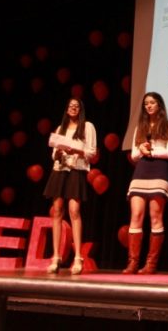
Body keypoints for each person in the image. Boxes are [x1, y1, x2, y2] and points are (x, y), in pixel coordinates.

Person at [123, 91, 168, 274]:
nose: (149, 106)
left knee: (155, 216)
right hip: (141, 171)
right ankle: (132, 262)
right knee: (136, 215)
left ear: (159, 105)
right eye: (146, 103)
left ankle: (151, 264)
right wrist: (141, 149)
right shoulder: (140, 126)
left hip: (159, 171)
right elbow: (134, 156)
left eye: (152, 103)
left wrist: (152, 152)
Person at [43, 98, 97, 275]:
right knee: (57, 210)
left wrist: (77, 151)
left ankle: (78, 257)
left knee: (74, 211)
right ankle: (56, 256)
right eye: (70, 106)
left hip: (76, 170)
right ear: (66, 110)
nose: (73, 108)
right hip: (60, 170)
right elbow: (53, 155)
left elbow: (92, 152)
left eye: (76, 106)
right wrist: (58, 152)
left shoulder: (88, 127)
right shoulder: (61, 128)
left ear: (80, 110)